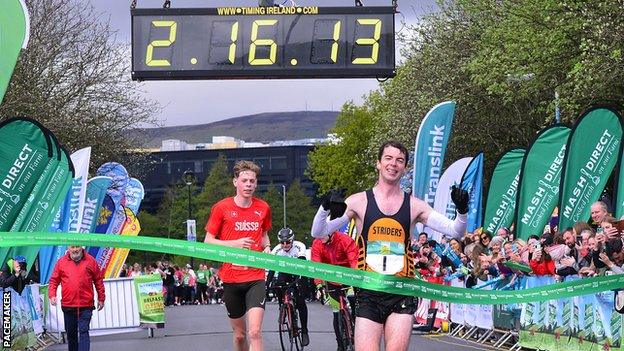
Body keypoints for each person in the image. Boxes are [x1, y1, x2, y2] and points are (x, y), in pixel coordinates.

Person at [311, 140, 469, 351]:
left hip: (401, 291)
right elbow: (318, 232)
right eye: (388, 158)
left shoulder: (415, 205)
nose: (393, 164)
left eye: (399, 160)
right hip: (369, 291)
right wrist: (324, 207)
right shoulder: (359, 201)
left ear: (404, 168)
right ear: (378, 163)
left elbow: (456, 231)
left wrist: (462, 210)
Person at [204, 160, 272, 351]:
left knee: (255, 332)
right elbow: (208, 241)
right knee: (240, 335)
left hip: (255, 277)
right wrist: (235, 244)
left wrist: (266, 247)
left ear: (256, 183)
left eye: (252, 181)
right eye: (244, 180)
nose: (248, 184)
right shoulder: (221, 208)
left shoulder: (263, 208)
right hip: (231, 278)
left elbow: (265, 235)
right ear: (235, 182)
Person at [310, 203, 358, 351]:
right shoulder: (317, 243)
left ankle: (357, 323)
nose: (321, 237)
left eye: (324, 234)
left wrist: (355, 280)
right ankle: (339, 344)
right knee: (336, 312)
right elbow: (316, 267)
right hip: (331, 279)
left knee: (352, 298)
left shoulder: (344, 240)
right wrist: (319, 285)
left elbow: (354, 261)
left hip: (348, 277)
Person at [48, 246, 105, 351]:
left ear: (81, 247)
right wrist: (52, 295)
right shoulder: (61, 262)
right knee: (71, 334)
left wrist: (101, 298)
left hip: (86, 305)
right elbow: (54, 281)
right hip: (68, 305)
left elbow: (98, 280)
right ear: (68, 248)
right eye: (72, 247)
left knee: (84, 331)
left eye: (77, 246)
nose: (75, 250)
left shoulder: (91, 261)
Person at [267, 227, 310, 346]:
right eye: (282, 242)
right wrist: (267, 285)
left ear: (292, 240)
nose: (285, 245)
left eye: (287, 242)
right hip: (284, 272)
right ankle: (283, 307)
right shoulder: (276, 250)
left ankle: (305, 331)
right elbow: (271, 270)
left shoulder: (299, 246)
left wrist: (300, 280)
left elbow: (302, 263)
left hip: (298, 270)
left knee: (300, 302)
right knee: (278, 285)